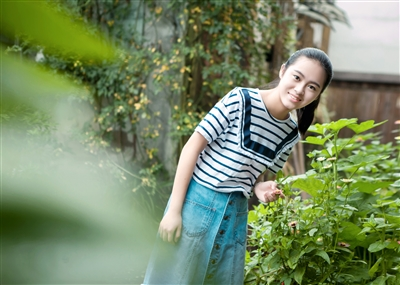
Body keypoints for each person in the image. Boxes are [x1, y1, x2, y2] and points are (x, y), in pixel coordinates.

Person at [143, 47, 333, 285]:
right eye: (297, 77)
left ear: (318, 95)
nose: (300, 90)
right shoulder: (240, 100)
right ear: (283, 70)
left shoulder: (290, 134)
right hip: (195, 205)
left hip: (235, 216)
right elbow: (191, 148)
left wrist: (261, 189)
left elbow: (257, 177)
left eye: (312, 87)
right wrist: (173, 211)